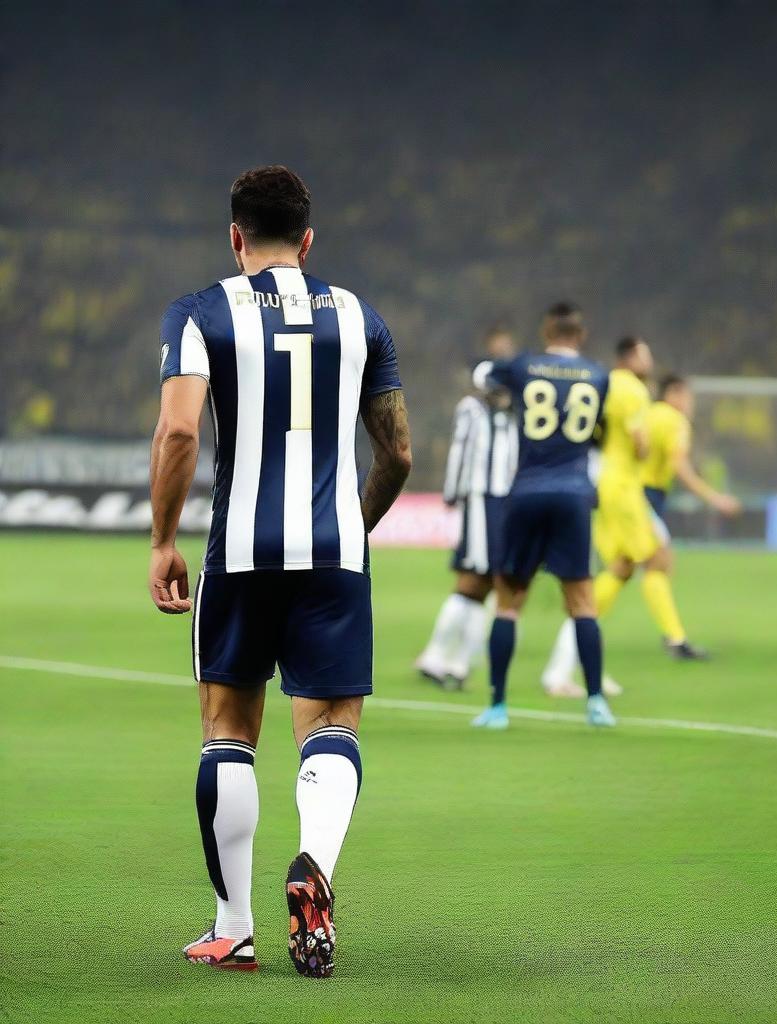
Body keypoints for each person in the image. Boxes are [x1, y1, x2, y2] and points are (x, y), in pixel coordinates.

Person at [148, 166, 412, 978]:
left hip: (241, 551)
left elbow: (180, 434)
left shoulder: (199, 313)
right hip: (333, 550)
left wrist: (163, 538)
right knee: (330, 726)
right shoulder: (361, 317)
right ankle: (315, 870)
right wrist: (351, 529)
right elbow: (397, 452)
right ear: (308, 239)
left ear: (235, 237)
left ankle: (234, 926)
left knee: (229, 730)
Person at [542, 373, 740, 691]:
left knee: (622, 568)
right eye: (687, 396)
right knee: (657, 560)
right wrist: (715, 498)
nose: (690, 404)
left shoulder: (646, 412)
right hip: (635, 496)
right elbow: (678, 465)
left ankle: (576, 649)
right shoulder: (673, 420)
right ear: (674, 394)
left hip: (618, 490)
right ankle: (674, 638)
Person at [470, 302, 615, 729]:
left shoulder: (525, 365)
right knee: (583, 603)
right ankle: (595, 703)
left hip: (528, 491)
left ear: (546, 331)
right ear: (581, 336)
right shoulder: (598, 374)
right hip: (574, 494)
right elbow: (600, 429)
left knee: (508, 603)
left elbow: (484, 376)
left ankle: (497, 706)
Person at [416, 329, 518, 688]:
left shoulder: (512, 412)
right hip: (481, 499)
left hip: (504, 502)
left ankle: (454, 661)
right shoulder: (472, 409)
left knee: (486, 583)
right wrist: (452, 493)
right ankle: (440, 656)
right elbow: (459, 452)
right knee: (477, 580)